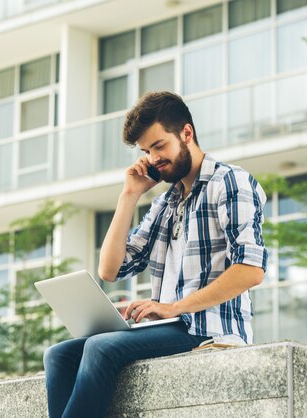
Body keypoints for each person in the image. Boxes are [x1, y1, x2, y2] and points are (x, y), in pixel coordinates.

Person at [42, 91, 268, 418]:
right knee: (58, 355)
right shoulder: (167, 202)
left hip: (212, 328)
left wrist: (173, 307)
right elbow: (110, 269)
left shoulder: (230, 183)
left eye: (159, 146)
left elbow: (251, 270)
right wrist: (128, 195)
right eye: (146, 151)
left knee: (100, 347)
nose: (153, 158)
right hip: (173, 326)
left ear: (186, 134)